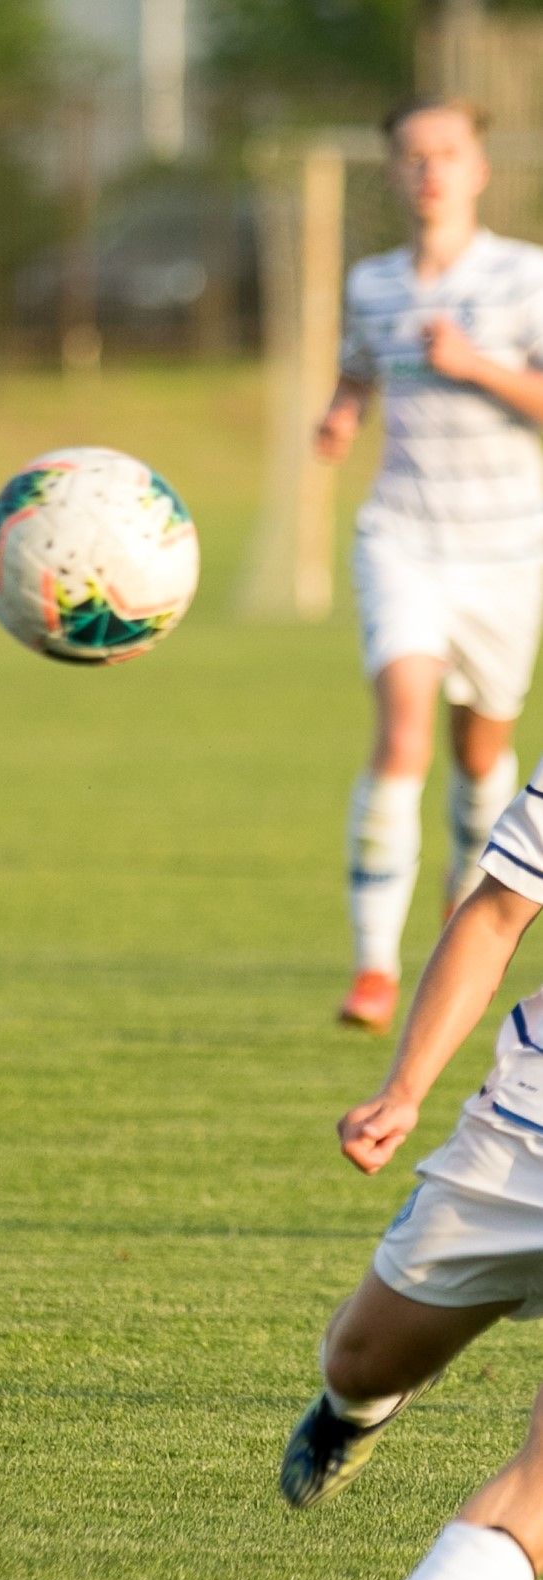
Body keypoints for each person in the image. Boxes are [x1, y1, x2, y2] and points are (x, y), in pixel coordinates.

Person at [277, 772, 543, 1580]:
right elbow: (497, 911)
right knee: (363, 1353)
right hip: (522, 1143)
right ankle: (353, 1406)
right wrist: (404, 1086)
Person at [317, 97, 543, 1034]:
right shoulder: (371, 284)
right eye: (412, 156)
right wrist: (339, 413)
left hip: (506, 547)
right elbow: (358, 370)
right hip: (402, 535)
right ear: (393, 172)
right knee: (402, 729)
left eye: (446, 154)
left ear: (477, 168)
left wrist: (474, 366)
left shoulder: (525, 277)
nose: (430, 171)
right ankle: (372, 965)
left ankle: (463, 892)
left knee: (478, 748)